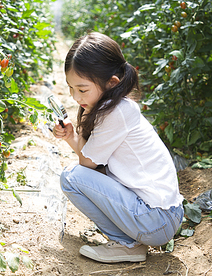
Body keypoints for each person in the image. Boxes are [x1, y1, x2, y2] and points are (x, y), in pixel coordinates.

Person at [52, 32, 184, 263]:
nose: (74, 97)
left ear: (112, 83)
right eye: (71, 88)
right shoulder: (112, 107)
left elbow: (88, 163)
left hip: (157, 219)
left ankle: (127, 244)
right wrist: (72, 137)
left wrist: (73, 140)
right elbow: (91, 157)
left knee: (71, 178)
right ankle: (129, 242)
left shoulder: (116, 113)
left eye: (82, 89)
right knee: (77, 176)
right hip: (160, 216)